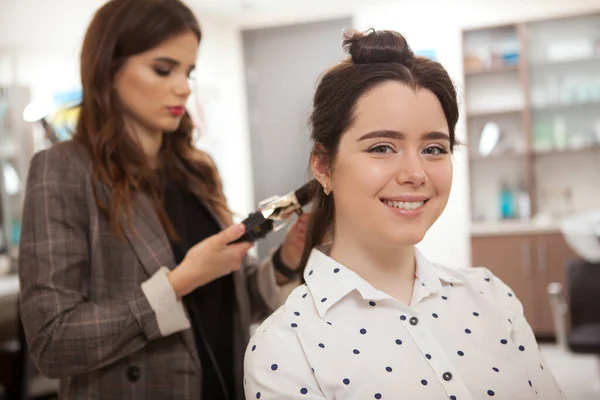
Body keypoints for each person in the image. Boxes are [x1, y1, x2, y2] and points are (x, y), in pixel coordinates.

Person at [243, 29, 565, 399]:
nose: (415, 173)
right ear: (323, 166)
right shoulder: (285, 347)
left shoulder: (491, 296)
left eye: (433, 149)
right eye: (382, 147)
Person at [17, 1, 305, 399]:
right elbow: (53, 342)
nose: (184, 86)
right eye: (163, 69)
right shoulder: (64, 170)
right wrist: (180, 281)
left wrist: (286, 260)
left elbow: (230, 303)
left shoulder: (196, 170)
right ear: (109, 68)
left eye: (189, 72)